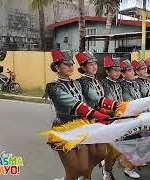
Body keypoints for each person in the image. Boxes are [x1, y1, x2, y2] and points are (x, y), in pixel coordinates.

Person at [45, 50, 110, 180]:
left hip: (81, 125)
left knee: (86, 166)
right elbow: (75, 104)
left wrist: (99, 113)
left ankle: (84, 177)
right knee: (74, 170)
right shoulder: (53, 87)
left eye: (71, 64)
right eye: (66, 64)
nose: (70, 67)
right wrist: (95, 114)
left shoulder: (76, 84)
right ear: (57, 67)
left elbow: (86, 102)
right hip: (64, 127)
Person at [75, 52, 122, 178]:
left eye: (95, 63)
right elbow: (95, 98)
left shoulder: (96, 81)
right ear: (83, 67)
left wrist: (106, 110)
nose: (94, 66)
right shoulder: (83, 82)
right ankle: (83, 175)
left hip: (99, 119)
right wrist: (115, 106)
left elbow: (100, 101)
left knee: (101, 153)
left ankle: (87, 173)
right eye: (90, 64)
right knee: (91, 153)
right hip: (87, 119)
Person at [119, 59, 142, 179]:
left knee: (137, 140)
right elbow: (128, 101)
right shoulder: (122, 84)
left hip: (136, 116)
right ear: (122, 74)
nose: (133, 72)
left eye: (132, 70)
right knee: (130, 142)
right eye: (129, 71)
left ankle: (131, 163)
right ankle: (128, 167)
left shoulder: (134, 82)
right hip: (126, 117)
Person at [102, 56, 123, 180]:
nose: (117, 72)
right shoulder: (103, 84)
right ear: (107, 71)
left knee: (115, 150)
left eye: (119, 70)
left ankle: (107, 167)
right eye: (114, 70)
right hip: (106, 120)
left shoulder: (119, 84)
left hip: (119, 119)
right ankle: (106, 171)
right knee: (107, 150)